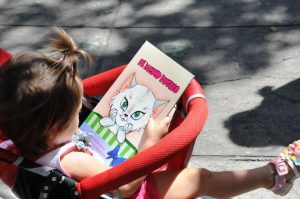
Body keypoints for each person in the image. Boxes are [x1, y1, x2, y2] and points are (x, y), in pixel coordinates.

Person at [0, 27, 299, 199]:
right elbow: (127, 187)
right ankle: (273, 176)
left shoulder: (14, 139)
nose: (81, 116)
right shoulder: (73, 160)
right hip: (132, 193)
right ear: (53, 127)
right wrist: (150, 142)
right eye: (77, 114)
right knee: (200, 179)